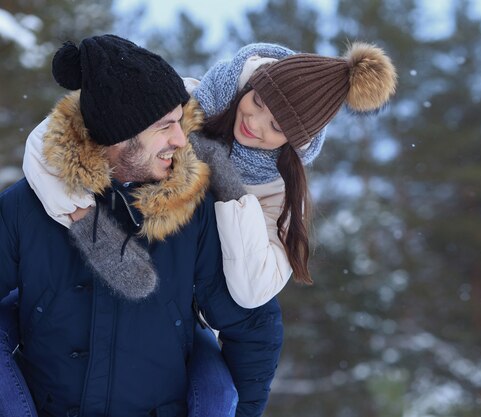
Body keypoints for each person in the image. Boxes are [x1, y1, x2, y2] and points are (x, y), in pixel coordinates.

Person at [0, 34, 282, 417]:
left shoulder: (196, 213)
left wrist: (245, 412)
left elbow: (251, 325)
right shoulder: (25, 207)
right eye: (165, 127)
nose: (181, 140)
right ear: (120, 132)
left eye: (181, 123)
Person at [19, 42, 398, 309]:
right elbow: (50, 139)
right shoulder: (181, 99)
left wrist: (231, 191)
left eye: (277, 127)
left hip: (178, 310)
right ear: (250, 86)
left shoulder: (279, 190)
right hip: (79, 282)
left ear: (295, 142)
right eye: (259, 102)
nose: (254, 122)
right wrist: (89, 225)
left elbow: (253, 291)